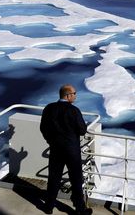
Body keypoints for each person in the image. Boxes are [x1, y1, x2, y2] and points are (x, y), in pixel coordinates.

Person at [39, 84, 92, 215]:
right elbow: (82, 130)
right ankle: (80, 209)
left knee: (54, 178)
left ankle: (48, 206)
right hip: (72, 150)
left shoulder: (49, 108)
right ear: (68, 96)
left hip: (55, 149)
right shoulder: (74, 111)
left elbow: (43, 128)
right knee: (76, 179)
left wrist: (50, 141)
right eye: (74, 93)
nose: (75, 95)